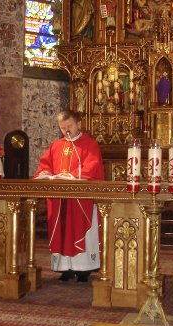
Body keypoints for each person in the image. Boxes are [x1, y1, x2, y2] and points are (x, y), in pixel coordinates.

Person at [34, 110, 104, 282]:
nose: (66, 130)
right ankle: (65, 268)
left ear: (79, 124)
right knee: (62, 230)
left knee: (78, 228)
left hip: (81, 200)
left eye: (70, 126)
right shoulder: (56, 146)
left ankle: (83, 269)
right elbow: (45, 165)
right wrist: (47, 173)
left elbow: (92, 166)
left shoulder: (89, 144)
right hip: (60, 201)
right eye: (63, 127)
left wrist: (72, 175)